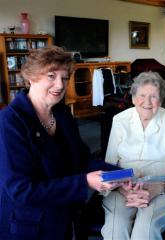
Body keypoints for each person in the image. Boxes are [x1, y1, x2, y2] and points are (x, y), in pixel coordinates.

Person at [0, 46, 120, 240]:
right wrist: (85, 182)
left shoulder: (62, 114)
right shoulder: (10, 122)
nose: (60, 85)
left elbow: (82, 159)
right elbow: (21, 190)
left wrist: (120, 174)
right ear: (30, 78)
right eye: (51, 76)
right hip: (29, 226)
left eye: (64, 78)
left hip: (64, 218)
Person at [101, 71, 165, 240]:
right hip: (122, 184)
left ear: (160, 101)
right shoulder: (119, 120)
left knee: (144, 231)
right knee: (115, 229)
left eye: (153, 97)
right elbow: (108, 166)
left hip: (162, 185)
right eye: (142, 95)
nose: (147, 102)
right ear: (133, 98)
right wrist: (124, 190)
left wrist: (156, 188)